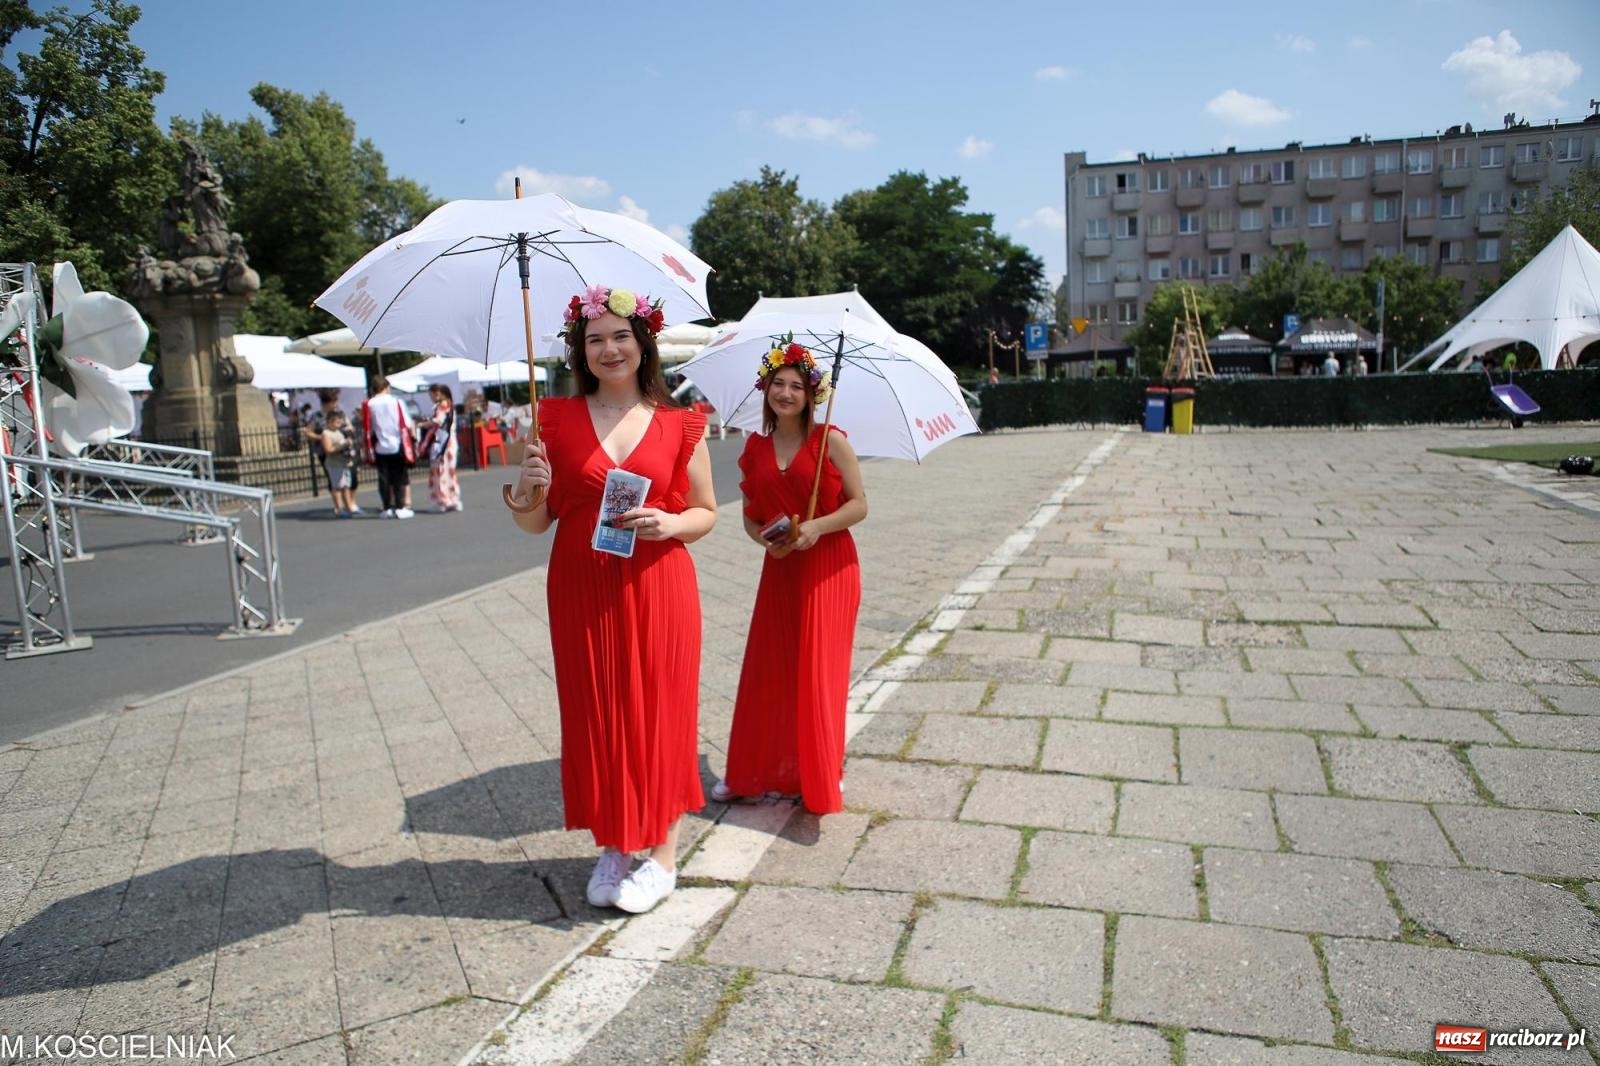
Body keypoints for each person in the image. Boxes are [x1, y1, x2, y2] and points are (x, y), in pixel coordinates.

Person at [508, 284, 715, 915]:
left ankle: (662, 857)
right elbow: (534, 524)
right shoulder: (552, 419)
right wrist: (526, 487)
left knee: (661, 713)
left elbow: (705, 512)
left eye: (620, 336)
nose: (608, 349)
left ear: (642, 344)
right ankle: (615, 846)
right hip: (581, 584)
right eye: (594, 339)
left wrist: (669, 524)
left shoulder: (682, 423)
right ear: (580, 352)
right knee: (596, 713)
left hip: (659, 582)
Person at [713, 340, 867, 815]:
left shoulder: (830, 442)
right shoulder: (754, 446)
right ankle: (751, 772)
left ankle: (822, 775)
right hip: (779, 568)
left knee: (818, 672)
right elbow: (748, 515)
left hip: (829, 566)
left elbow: (859, 505)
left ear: (810, 393)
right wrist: (768, 541)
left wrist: (815, 528)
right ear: (765, 388)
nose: (785, 392)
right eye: (778, 383)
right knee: (768, 669)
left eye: (796, 386)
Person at [360, 374, 416, 519]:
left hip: (379, 444)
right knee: (398, 477)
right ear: (386, 387)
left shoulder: (369, 404)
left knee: (383, 478)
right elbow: (407, 424)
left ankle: (386, 506)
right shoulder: (396, 401)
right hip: (397, 443)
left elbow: (368, 427)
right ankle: (399, 506)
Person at [310, 410, 358, 517]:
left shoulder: (339, 432)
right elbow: (328, 449)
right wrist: (342, 446)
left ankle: (349, 507)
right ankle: (339, 509)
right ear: (330, 422)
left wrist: (348, 448)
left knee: (346, 486)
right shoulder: (326, 433)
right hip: (334, 464)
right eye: (337, 423)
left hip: (343, 462)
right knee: (337, 487)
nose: (339, 425)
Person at [424, 383, 461, 513]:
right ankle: (453, 498)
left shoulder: (441, 405)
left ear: (437, 393)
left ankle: (442, 500)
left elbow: (437, 421)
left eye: (431, 395)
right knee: (449, 471)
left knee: (440, 471)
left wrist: (422, 424)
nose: (431, 398)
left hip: (442, 442)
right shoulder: (449, 404)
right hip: (450, 441)